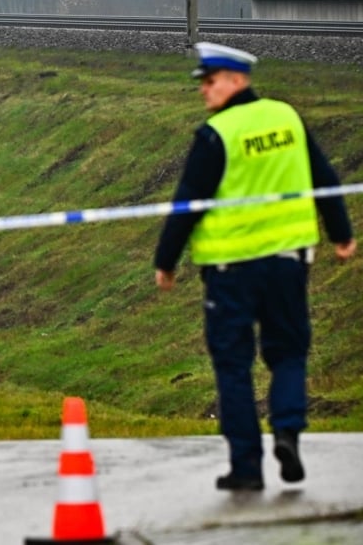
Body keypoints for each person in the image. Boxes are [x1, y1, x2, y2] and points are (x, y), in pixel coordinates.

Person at [154, 42, 356, 492]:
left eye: (210, 82)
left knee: (233, 364)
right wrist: (341, 233)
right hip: (288, 263)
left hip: (230, 272)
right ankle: (287, 431)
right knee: (287, 352)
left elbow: (188, 203)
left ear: (237, 81)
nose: (204, 91)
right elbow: (324, 178)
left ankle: (245, 467)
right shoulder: (287, 117)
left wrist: (165, 262)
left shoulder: (216, 134)